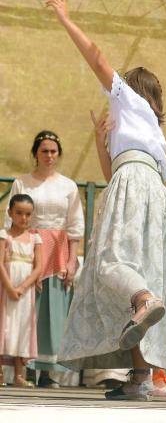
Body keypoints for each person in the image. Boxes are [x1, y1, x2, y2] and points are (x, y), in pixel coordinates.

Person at [49, 0, 166, 401]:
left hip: (133, 186)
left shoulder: (129, 99)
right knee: (139, 274)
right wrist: (101, 140)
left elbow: (98, 58)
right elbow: (111, 171)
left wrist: (66, 20)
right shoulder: (155, 135)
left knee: (110, 263)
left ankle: (143, 298)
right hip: (154, 193)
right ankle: (140, 379)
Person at [4, 131, 84, 387]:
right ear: (35, 153)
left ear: (58, 154)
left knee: (53, 311)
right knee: (26, 310)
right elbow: (10, 222)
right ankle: (22, 369)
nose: (49, 156)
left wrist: (72, 261)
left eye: (53, 151)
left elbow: (74, 225)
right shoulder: (22, 182)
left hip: (57, 251)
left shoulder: (68, 185)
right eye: (44, 151)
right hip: (27, 251)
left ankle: (47, 373)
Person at [0, 195, 42, 388]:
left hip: (25, 293)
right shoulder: (4, 236)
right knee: (4, 327)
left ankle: (18, 375)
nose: (23, 218)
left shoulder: (35, 238)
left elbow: (38, 267)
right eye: (19, 213)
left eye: (27, 214)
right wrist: (9, 287)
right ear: (10, 212)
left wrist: (22, 288)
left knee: (21, 329)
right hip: (5, 289)